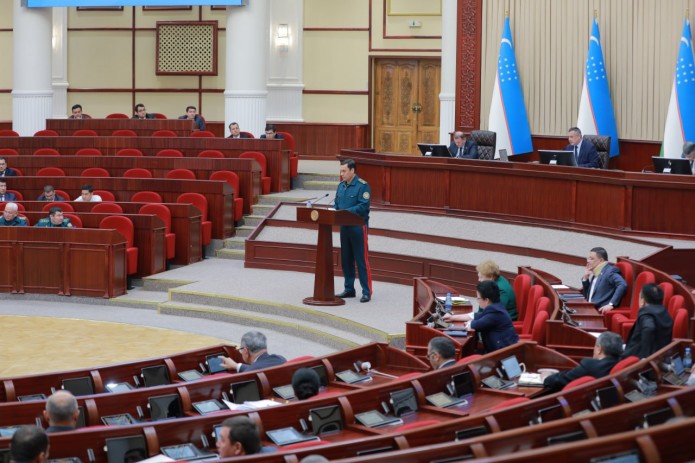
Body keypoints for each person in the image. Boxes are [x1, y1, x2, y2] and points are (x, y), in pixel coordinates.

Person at [334, 158, 372, 303]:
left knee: (361, 260)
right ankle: (349, 288)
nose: (342, 174)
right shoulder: (341, 186)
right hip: (344, 227)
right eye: (340, 171)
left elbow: (363, 207)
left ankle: (366, 291)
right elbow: (337, 204)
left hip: (358, 228)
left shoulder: (363, 186)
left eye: (344, 171)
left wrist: (344, 212)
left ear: (352, 170)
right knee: (346, 260)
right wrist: (336, 212)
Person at [444, 280, 519, 353]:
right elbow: (473, 316)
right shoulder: (495, 307)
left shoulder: (495, 313)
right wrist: (452, 317)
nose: (477, 301)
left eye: (478, 298)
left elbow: (472, 325)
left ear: (486, 300)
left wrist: (469, 323)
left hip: (502, 355)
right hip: (498, 350)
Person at [543, 331, 623, 392]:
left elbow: (559, 381)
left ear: (599, 349)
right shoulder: (620, 363)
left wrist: (546, 377)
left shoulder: (591, 365)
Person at [622, 283, 673, 359]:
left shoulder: (646, 313)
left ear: (642, 301)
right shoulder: (664, 311)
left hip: (635, 359)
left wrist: (645, 358)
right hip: (660, 357)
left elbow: (649, 328)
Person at [581, 247, 627, 314]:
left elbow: (622, 284)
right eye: (588, 258)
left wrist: (611, 304)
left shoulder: (610, 271)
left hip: (598, 311)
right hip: (590, 308)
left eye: (591, 258)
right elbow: (590, 295)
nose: (588, 261)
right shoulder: (597, 271)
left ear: (600, 260)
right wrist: (586, 278)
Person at [218, 331, 286, 372]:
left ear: (246, 351)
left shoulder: (250, 372)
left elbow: (255, 369)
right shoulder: (281, 359)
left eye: (241, 349)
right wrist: (236, 366)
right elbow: (261, 367)